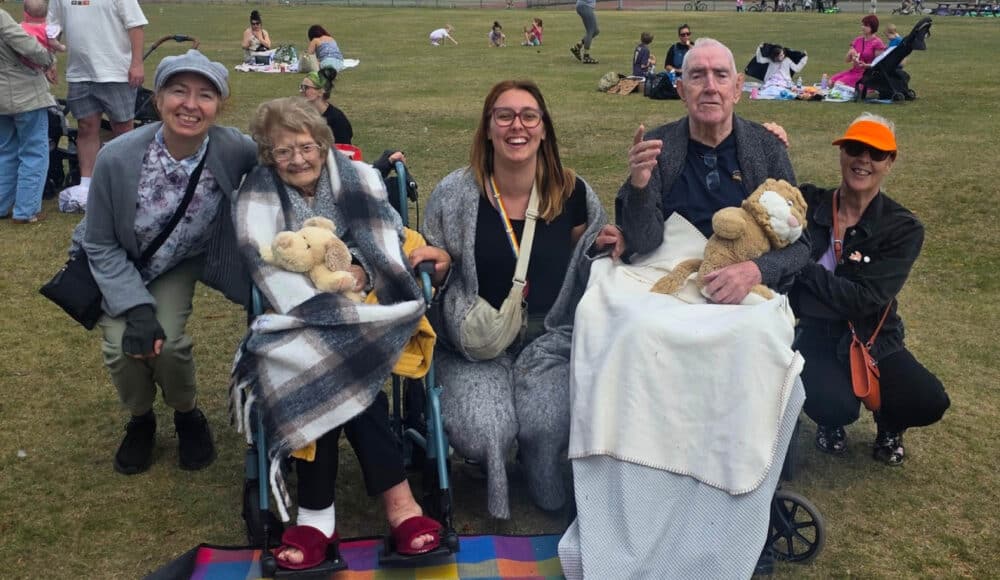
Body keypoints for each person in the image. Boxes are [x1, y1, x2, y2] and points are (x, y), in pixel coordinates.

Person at [232, 96, 451, 569]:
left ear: (323, 143)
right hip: (294, 317)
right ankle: (401, 508)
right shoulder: (257, 193)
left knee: (336, 359)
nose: (297, 159)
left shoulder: (359, 179)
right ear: (268, 154)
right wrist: (318, 300)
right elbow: (260, 257)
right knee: (334, 362)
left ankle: (315, 521)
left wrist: (362, 275)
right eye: (282, 150)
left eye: (306, 147)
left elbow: (389, 241)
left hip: (370, 309)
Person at [422, 80, 624, 519]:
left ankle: (544, 475)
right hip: (474, 347)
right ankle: (494, 477)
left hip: (549, 342)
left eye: (529, 115)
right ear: (488, 128)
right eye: (505, 115)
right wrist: (439, 264)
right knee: (487, 429)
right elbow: (433, 265)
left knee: (547, 421)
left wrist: (599, 248)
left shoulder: (572, 193)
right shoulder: (455, 194)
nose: (518, 126)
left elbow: (589, 267)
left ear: (544, 128)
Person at [70, 50, 257, 475]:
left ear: (219, 106)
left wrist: (360, 168)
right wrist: (135, 308)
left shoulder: (231, 147)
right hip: (121, 263)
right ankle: (141, 420)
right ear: (158, 100)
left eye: (205, 95)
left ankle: (187, 413)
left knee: (168, 343)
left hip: (182, 262)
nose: (191, 105)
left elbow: (289, 156)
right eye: (178, 91)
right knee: (123, 347)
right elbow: (98, 243)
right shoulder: (117, 156)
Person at [790, 113, 949, 465]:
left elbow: (863, 300)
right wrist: (773, 142)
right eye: (855, 148)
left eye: (876, 153)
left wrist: (802, 263)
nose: (864, 159)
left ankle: (890, 422)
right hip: (816, 334)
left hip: (874, 336)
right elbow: (766, 195)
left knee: (929, 399)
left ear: (889, 162)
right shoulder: (809, 202)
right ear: (842, 153)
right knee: (835, 404)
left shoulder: (903, 228)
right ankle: (831, 422)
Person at [618, 37, 806, 296]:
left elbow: (801, 244)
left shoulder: (766, 147)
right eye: (697, 76)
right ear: (682, 90)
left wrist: (756, 270)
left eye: (720, 75)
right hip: (671, 280)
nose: (710, 87)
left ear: (737, 88)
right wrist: (639, 186)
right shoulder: (657, 147)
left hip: (746, 291)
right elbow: (643, 241)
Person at [47, 0, 146, 206]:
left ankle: (128, 182)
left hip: (116, 73)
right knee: (85, 128)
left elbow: (135, 26)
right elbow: (53, 29)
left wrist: (136, 63)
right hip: (80, 74)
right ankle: (86, 185)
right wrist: (50, 60)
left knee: (123, 130)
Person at [1, 6, 55, 224]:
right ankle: (26, 209)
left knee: (5, 151)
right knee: (34, 151)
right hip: (23, 95)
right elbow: (28, 46)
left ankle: (2, 203)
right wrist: (48, 58)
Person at [830, 15, 886, 89]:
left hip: (867, 73)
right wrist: (851, 52)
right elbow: (847, 60)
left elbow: (879, 64)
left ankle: (867, 89)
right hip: (854, 71)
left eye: (866, 25)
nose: (863, 27)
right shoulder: (857, 40)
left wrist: (866, 65)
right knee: (830, 82)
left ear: (873, 27)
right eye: (862, 25)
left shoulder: (877, 43)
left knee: (838, 84)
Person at [298, 70, 352, 145]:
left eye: (306, 87)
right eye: (301, 87)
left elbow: (344, 150)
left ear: (321, 91)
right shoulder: (302, 114)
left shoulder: (337, 120)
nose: (301, 91)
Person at [20, 0, 66, 65]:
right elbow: (53, 43)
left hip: (25, 61)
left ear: (25, 14)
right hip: (43, 62)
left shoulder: (20, 27)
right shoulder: (48, 29)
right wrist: (61, 47)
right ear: (46, 15)